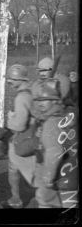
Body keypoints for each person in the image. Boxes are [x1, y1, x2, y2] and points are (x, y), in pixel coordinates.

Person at [29, 57, 69, 207]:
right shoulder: (38, 84)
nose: (42, 73)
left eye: (45, 70)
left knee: (45, 197)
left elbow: (54, 150)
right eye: (40, 70)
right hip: (47, 123)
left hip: (54, 123)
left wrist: (48, 176)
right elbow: (36, 105)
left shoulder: (61, 82)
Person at [5, 64, 38, 209]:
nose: (9, 82)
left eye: (12, 79)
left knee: (15, 169)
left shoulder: (21, 97)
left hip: (23, 137)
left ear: (20, 79)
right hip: (35, 134)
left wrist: (10, 120)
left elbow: (19, 125)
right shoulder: (33, 90)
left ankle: (16, 200)